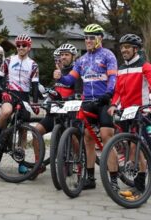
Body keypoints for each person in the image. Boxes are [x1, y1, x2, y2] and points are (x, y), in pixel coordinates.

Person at [53, 24, 118, 190]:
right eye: (86, 37)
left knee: (106, 137)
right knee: (88, 138)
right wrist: (60, 76)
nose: (88, 40)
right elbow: (71, 80)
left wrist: (109, 94)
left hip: (103, 101)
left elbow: (113, 78)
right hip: (88, 101)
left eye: (91, 37)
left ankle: (114, 181)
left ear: (99, 38)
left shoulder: (108, 55)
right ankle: (90, 178)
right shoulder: (82, 60)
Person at [107, 34, 151, 199]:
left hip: (140, 111)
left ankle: (140, 186)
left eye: (127, 47)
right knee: (129, 144)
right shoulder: (122, 69)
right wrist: (113, 105)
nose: (124, 50)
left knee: (135, 147)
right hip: (126, 112)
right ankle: (135, 175)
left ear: (135, 49)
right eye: (122, 47)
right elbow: (118, 92)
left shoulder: (145, 66)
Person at [0, 34, 40, 174]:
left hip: (24, 96)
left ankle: (21, 162)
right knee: (5, 112)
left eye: (24, 45)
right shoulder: (8, 60)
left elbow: (35, 86)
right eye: (18, 45)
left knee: (23, 130)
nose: (20, 48)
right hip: (10, 93)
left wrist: (35, 103)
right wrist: (3, 91)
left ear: (29, 47)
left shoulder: (33, 65)